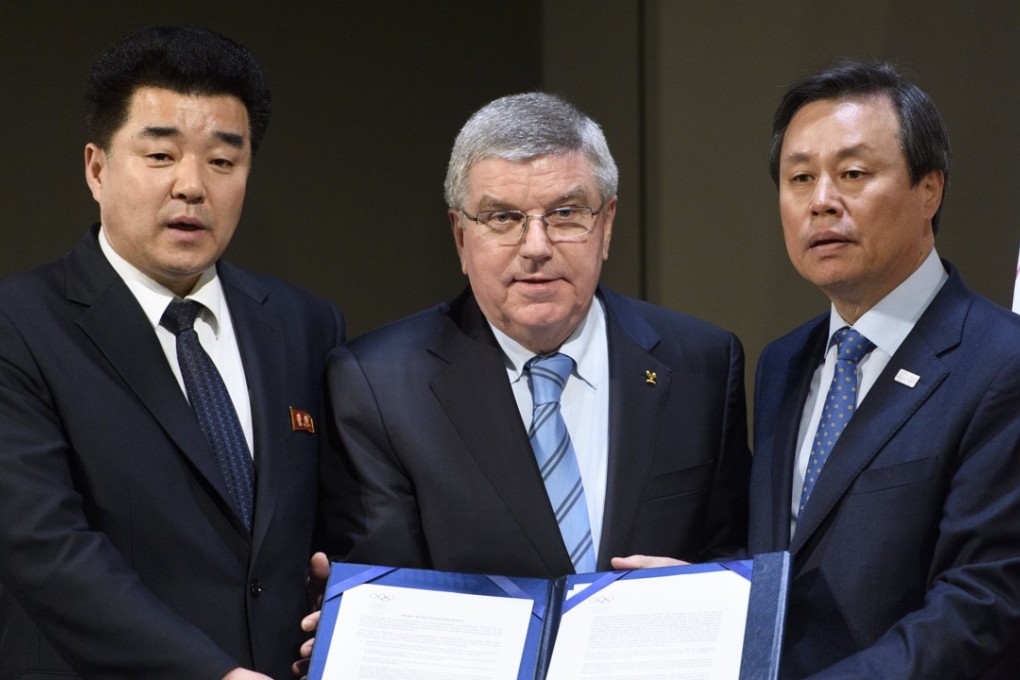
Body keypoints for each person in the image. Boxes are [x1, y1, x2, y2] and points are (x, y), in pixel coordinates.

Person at [0, 27, 344, 680]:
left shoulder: (304, 324)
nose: (192, 186)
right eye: (161, 156)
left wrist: (341, 606)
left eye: (222, 161)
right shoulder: (18, 326)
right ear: (96, 169)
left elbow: (328, 531)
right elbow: (44, 550)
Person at [314, 92, 750, 580]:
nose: (536, 248)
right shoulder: (379, 385)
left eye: (566, 214)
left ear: (606, 225)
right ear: (461, 235)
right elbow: (391, 596)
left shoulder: (703, 363)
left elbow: (734, 554)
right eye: (503, 218)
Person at [750, 61, 1020, 677]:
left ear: (930, 189)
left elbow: (985, 604)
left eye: (852, 174)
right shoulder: (783, 363)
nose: (821, 202)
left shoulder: (1003, 363)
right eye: (799, 178)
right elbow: (789, 566)